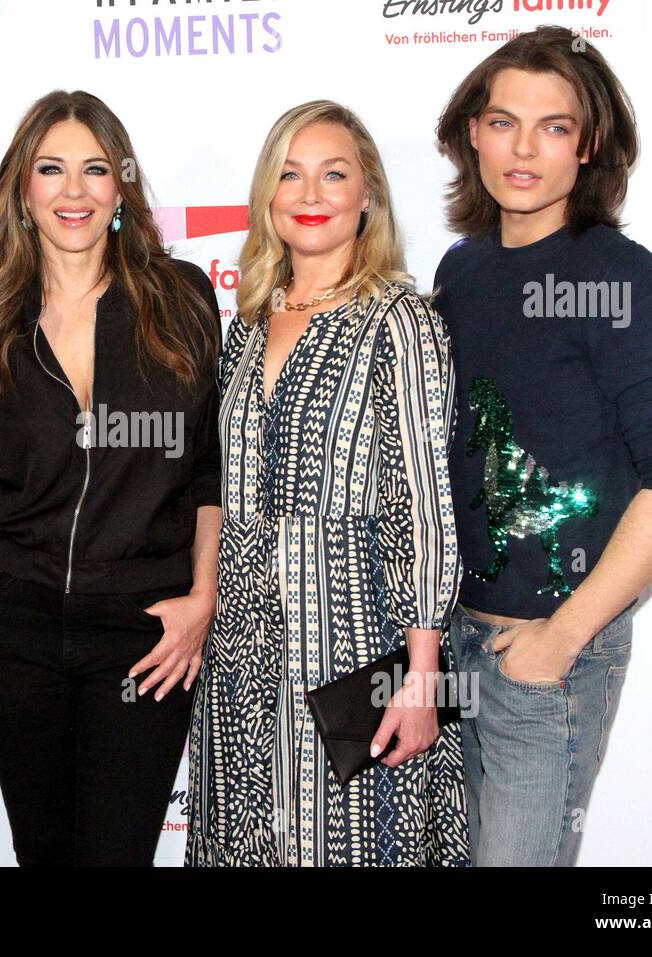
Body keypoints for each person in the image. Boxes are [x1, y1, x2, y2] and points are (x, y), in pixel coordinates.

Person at [433, 26, 652, 866]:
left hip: (547, 659)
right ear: (471, 132)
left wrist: (561, 636)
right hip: (451, 648)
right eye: (503, 121)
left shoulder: (620, 275)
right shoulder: (462, 271)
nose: (523, 149)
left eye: (553, 127)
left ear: (588, 146)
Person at [0, 90, 222, 867]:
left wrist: (204, 597)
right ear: (22, 191)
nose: (73, 191)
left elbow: (208, 470)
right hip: (17, 629)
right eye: (51, 169)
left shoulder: (181, 298)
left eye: (95, 170)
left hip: (141, 632)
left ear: (121, 186)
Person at [187, 100, 467, 867]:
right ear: (267, 196)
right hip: (241, 659)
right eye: (290, 174)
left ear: (368, 193)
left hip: (354, 651)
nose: (310, 194)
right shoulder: (244, 323)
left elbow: (422, 504)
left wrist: (421, 676)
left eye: (334, 174)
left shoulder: (398, 321)